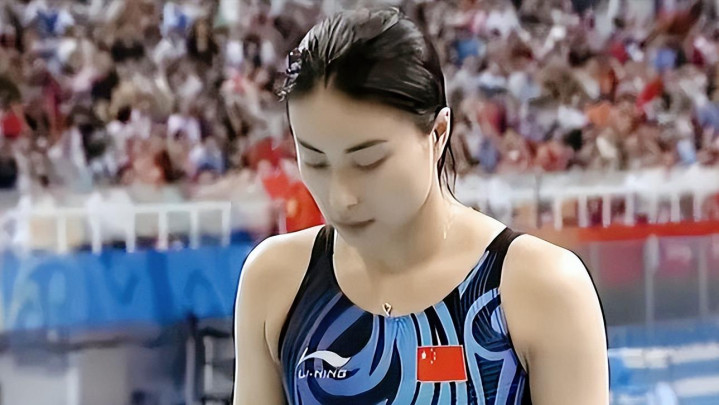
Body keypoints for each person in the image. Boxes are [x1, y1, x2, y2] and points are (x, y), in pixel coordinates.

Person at [233, 7, 608, 404]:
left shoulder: (538, 288)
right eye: (316, 161)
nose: (341, 198)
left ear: (439, 133)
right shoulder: (277, 283)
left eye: (368, 162)